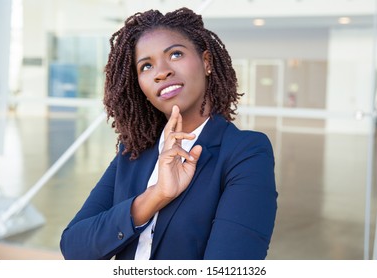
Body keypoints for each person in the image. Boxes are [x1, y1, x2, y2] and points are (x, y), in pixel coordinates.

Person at [60, 7, 277, 260]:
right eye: (146, 66)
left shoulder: (246, 152)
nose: (161, 72)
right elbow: (74, 247)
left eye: (175, 54)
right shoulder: (133, 153)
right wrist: (156, 195)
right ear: (140, 85)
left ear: (206, 62)